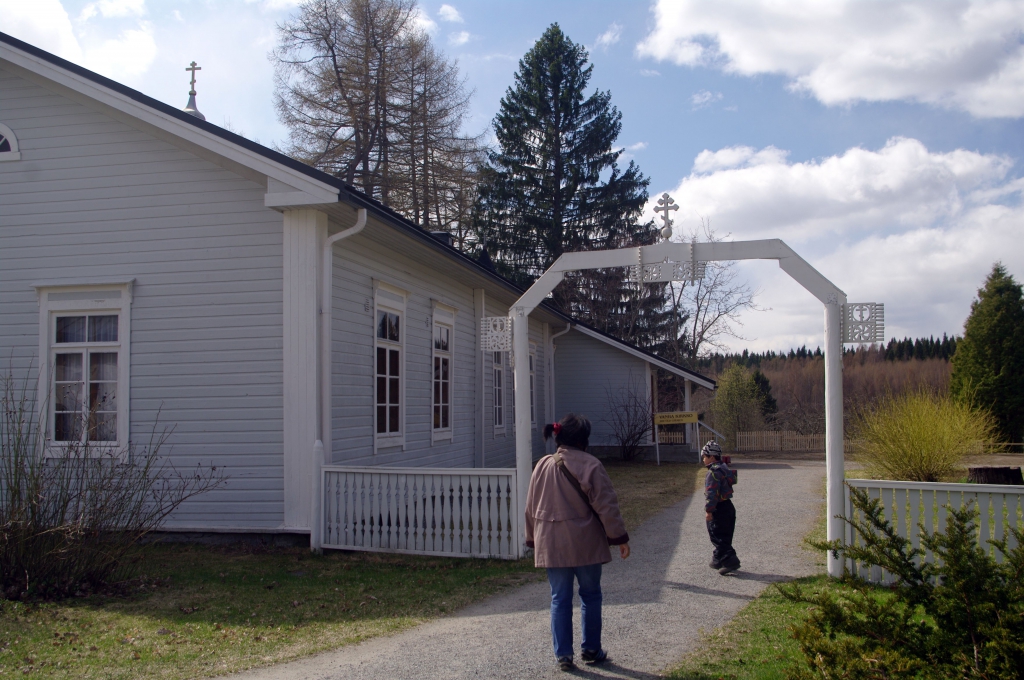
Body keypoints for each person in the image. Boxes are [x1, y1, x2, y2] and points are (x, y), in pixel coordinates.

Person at [525, 413, 630, 672]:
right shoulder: (592, 465)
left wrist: (532, 538)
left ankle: (563, 654)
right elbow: (607, 505)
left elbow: (530, 507)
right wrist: (619, 537)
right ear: (584, 439)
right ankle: (591, 648)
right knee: (591, 595)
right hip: (586, 542)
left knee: (559, 598)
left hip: (552, 543)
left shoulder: (542, 465)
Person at [702, 440, 740, 575]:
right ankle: (718, 559)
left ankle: (730, 561)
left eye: (704, 457)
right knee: (725, 535)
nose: (703, 459)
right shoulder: (724, 468)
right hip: (728, 506)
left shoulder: (712, 473)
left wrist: (709, 511)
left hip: (719, 508)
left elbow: (711, 494)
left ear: (712, 457)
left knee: (717, 535)